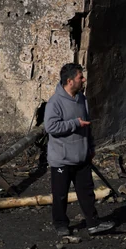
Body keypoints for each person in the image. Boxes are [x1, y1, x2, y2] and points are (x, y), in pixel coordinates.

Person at [44, 63, 113, 237]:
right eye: (80, 77)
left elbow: (87, 126)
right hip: (62, 158)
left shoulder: (82, 99)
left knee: (87, 192)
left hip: (82, 155)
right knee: (60, 194)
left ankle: (93, 223)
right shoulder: (55, 102)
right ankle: (60, 224)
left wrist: (91, 147)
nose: (83, 79)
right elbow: (51, 127)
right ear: (70, 81)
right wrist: (75, 123)